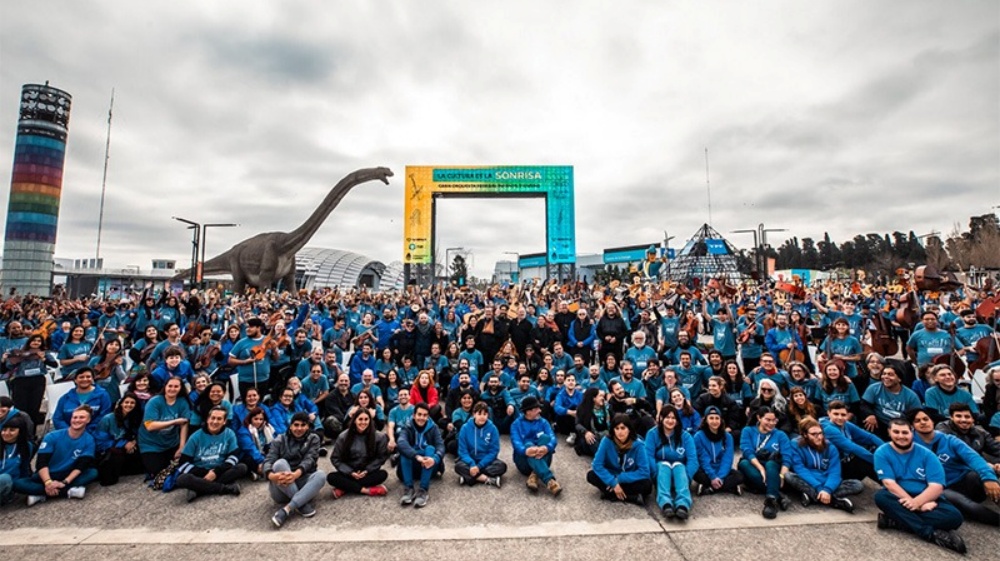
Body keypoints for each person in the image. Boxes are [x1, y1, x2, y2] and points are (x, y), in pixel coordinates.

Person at [873, 418, 966, 554]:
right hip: (899, 496)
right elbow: (889, 483)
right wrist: (916, 505)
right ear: (889, 432)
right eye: (896, 432)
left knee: (955, 517)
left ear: (912, 432)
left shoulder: (927, 455)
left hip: (927, 496)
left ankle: (897, 522)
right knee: (881, 497)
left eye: (905, 432)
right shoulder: (882, 452)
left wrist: (919, 502)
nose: (901, 436)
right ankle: (929, 533)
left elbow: (936, 486)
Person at [910, 407, 1000, 527]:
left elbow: (974, 458)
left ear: (932, 421)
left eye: (925, 419)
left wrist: (989, 478)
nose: (923, 422)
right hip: (941, 488)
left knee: (982, 477)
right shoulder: (908, 446)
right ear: (912, 426)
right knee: (967, 504)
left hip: (965, 481)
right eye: (917, 421)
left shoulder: (949, 440)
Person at [15, 405, 97, 506]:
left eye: (82, 417)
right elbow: (41, 463)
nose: (77, 420)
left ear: (88, 420)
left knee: (92, 473)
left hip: (68, 473)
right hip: (48, 474)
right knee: (18, 484)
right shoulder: (52, 436)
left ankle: (41, 495)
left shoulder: (89, 440)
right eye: (75, 417)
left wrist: (65, 482)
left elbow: (81, 465)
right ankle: (68, 491)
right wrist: (48, 483)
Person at [262, 410, 326, 527]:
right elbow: (268, 460)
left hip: (302, 482)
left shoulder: (314, 439)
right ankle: (301, 503)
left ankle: (287, 509)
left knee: (321, 475)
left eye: (303, 425)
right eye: (296, 425)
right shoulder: (280, 439)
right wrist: (272, 476)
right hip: (281, 486)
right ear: (290, 426)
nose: (299, 428)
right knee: (280, 463)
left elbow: (310, 460)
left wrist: (295, 475)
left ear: (308, 426)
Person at [784, 416, 862, 512]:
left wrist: (827, 489)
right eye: (814, 434)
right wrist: (819, 487)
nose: (819, 437)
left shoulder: (830, 447)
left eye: (820, 433)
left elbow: (835, 472)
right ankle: (834, 501)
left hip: (826, 480)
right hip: (808, 480)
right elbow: (800, 469)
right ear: (804, 434)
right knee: (789, 476)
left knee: (857, 485)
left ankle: (813, 496)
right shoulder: (795, 444)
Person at [174, 406, 246, 501]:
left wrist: (216, 472)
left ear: (224, 421)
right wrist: (206, 473)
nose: (215, 422)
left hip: (220, 471)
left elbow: (234, 457)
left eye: (219, 419)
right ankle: (225, 488)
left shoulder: (229, 434)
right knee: (182, 479)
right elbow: (183, 463)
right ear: (208, 419)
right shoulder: (195, 436)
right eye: (213, 418)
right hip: (200, 473)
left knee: (242, 467)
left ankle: (199, 489)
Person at [738, 406, 793, 519]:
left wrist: (782, 476)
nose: (771, 423)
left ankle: (771, 500)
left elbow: (787, 456)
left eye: (774, 420)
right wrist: (760, 468)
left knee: (770, 464)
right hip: (755, 464)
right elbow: (747, 451)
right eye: (768, 420)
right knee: (743, 464)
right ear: (759, 418)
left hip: (773, 468)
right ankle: (779, 495)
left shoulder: (780, 435)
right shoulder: (748, 431)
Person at [586, 413, 650, 505]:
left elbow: (644, 471)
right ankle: (632, 497)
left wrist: (619, 479)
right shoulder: (607, 441)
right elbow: (597, 465)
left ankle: (609, 494)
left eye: (623, 428)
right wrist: (613, 482)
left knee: (647, 485)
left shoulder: (638, 445)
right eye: (617, 428)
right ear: (613, 430)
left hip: (629, 477)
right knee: (591, 475)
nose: (620, 432)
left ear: (629, 429)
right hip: (611, 474)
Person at [645, 406, 698, 519]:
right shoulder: (652, 434)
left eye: (673, 418)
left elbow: (693, 459)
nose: (670, 420)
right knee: (664, 465)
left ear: (677, 420)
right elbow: (648, 456)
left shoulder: (685, 436)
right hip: (661, 475)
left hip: (680, 475)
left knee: (679, 465)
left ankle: (683, 504)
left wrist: (687, 477)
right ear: (661, 418)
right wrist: (655, 475)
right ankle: (665, 503)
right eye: (667, 417)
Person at [328, 408, 390, 498]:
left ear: (370, 420)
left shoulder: (379, 436)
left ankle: (345, 487)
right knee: (331, 477)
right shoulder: (343, 437)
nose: (363, 422)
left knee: (383, 474)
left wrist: (367, 470)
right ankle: (367, 490)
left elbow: (381, 457)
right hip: (349, 473)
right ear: (354, 420)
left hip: (367, 472)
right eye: (360, 419)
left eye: (366, 419)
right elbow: (335, 458)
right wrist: (350, 472)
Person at [138, 376, 191, 477]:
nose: (172, 389)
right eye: (170, 386)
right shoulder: (154, 401)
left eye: (176, 386)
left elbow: (184, 424)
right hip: (151, 444)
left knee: (181, 466)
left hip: (171, 442)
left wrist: (181, 447)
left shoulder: (182, 402)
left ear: (180, 388)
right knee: (158, 471)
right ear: (165, 387)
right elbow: (150, 426)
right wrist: (174, 421)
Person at [821, 400, 884, 483]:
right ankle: (889, 484)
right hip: (836, 468)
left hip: (849, 460)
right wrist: (878, 461)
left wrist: (888, 450)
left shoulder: (845, 424)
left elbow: (869, 437)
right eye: (836, 414)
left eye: (843, 415)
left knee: (877, 449)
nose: (840, 417)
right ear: (829, 413)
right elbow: (852, 448)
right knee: (867, 463)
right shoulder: (829, 429)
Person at [510, 396, 561, 496]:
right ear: (528, 411)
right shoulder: (516, 425)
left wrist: (547, 448)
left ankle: (534, 475)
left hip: (543, 455)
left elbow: (553, 438)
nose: (540, 410)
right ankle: (549, 480)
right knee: (528, 444)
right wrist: (525, 451)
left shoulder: (544, 422)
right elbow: (516, 443)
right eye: (537, 408)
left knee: (546, 438)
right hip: (524, 463)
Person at [397, 402, 444, 508]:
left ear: (428, 417)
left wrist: (435, 459)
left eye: (424, 415)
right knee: (405, 450)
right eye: (419, 414)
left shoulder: (434, 427)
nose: (422, 418)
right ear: (414, 415)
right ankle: (409, 488)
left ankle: (423, 490)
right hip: (411, 465)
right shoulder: (407, 426)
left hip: (429, 466)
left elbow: (440, 446)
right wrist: (416, 456)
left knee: (430, 448)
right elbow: (401, 442)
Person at [860, 364, 921, 439]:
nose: (886, 377)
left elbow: (917, 414)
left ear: (899, 379)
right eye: (884, 374)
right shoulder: (874, 388)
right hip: (879, 424)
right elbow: (864, 404)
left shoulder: (911, 396)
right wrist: (870, 415)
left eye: (890, 374)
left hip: (901, 426)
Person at [95, 393, 144, 486]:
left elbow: (137, 433)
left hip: (127, 447)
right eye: (126, 402)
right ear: (121, 403)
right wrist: (124, 444)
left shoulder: (133, 418)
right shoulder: (108, 419)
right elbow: (100, 441)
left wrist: (134, 441)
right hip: (108, 450)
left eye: (132, 403)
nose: (129, 405)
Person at [693, 406, 743, 496]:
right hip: (706, 470)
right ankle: (728, 487)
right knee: (695, 473)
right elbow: (703, 459)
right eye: (711, 418)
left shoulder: (727, 436)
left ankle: (710, 488)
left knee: (739, 476)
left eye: (717, 418)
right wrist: (712, 476)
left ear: (721, 420)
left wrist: (720, 477)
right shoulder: (698, 436)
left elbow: (727, 459)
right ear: (706, 420)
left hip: (722, 469)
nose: (714, 421)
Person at [455, 402, 507, 487]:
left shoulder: (493, 429)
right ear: (474, 414)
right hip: (470, 460)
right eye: (479, 414)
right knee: (458, 466)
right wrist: (472, 464)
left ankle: (469, 477)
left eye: (485, 414)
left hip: (486, 461)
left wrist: (479, 466)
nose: (482, 417)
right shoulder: (465, 428)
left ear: (488, 415)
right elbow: (462, 451)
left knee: (502, 466)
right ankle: (486, 479)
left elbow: (493, 451)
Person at [52, 367, 112, 434]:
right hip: (68, 434)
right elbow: (57, 418)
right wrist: (70, 431)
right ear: (75, 380)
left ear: (92, 379)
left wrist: (86, 431)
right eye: (81, 377)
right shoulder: (66, 397)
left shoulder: (103, 395)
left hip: (94, 433)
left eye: (88, 377)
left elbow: (104, 416)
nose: (85, 379)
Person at [0, 416, 35, 505]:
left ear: (20, 432)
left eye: (12, 430)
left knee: (5, 478)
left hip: (8, 484)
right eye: (4, 430)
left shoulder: (27, 446)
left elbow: (25, 468)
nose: (6, 433)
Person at [236, 406, 276, 478]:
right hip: (249, 456)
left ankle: (264, 471)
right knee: (248, 459)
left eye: (261, 419)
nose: (258, 422)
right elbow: (250, 449)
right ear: (250, 419)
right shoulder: (243, 431)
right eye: (256, 419)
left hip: (262, 454)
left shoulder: (266, 429)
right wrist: (262, 461)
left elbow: (271, 445)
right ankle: (262, 471)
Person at [574, 387, 610, 457]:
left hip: (605, 435)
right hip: (591, 436)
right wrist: (586, 432)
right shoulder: (583, 409)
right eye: (600, 396)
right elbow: (577, 424)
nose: (603, 398)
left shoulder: (606, 408)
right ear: (593, 398)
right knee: (592, 440)